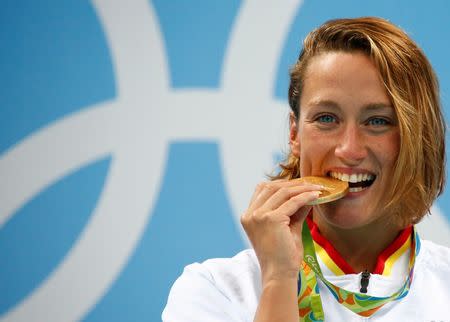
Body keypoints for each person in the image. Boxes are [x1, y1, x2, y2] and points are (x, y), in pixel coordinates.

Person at [162, 17, 450, 321]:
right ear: (294, 134)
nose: (348, 149)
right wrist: (277, 279)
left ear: (418, 138)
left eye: (377, 121)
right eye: (326, 118)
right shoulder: (216, 290)